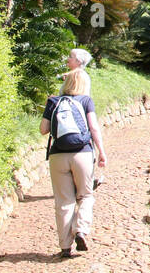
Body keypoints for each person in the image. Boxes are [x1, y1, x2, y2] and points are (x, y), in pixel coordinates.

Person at [40, 65, 107, 258]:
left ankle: (65, 247)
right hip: (82, 154)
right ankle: (80, 230)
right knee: (85, 196)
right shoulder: (86, 100)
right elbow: (93, 128)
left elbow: (43, 129)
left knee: (63, 201)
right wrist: (102, 152)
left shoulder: (53, 102)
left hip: (57, 155)